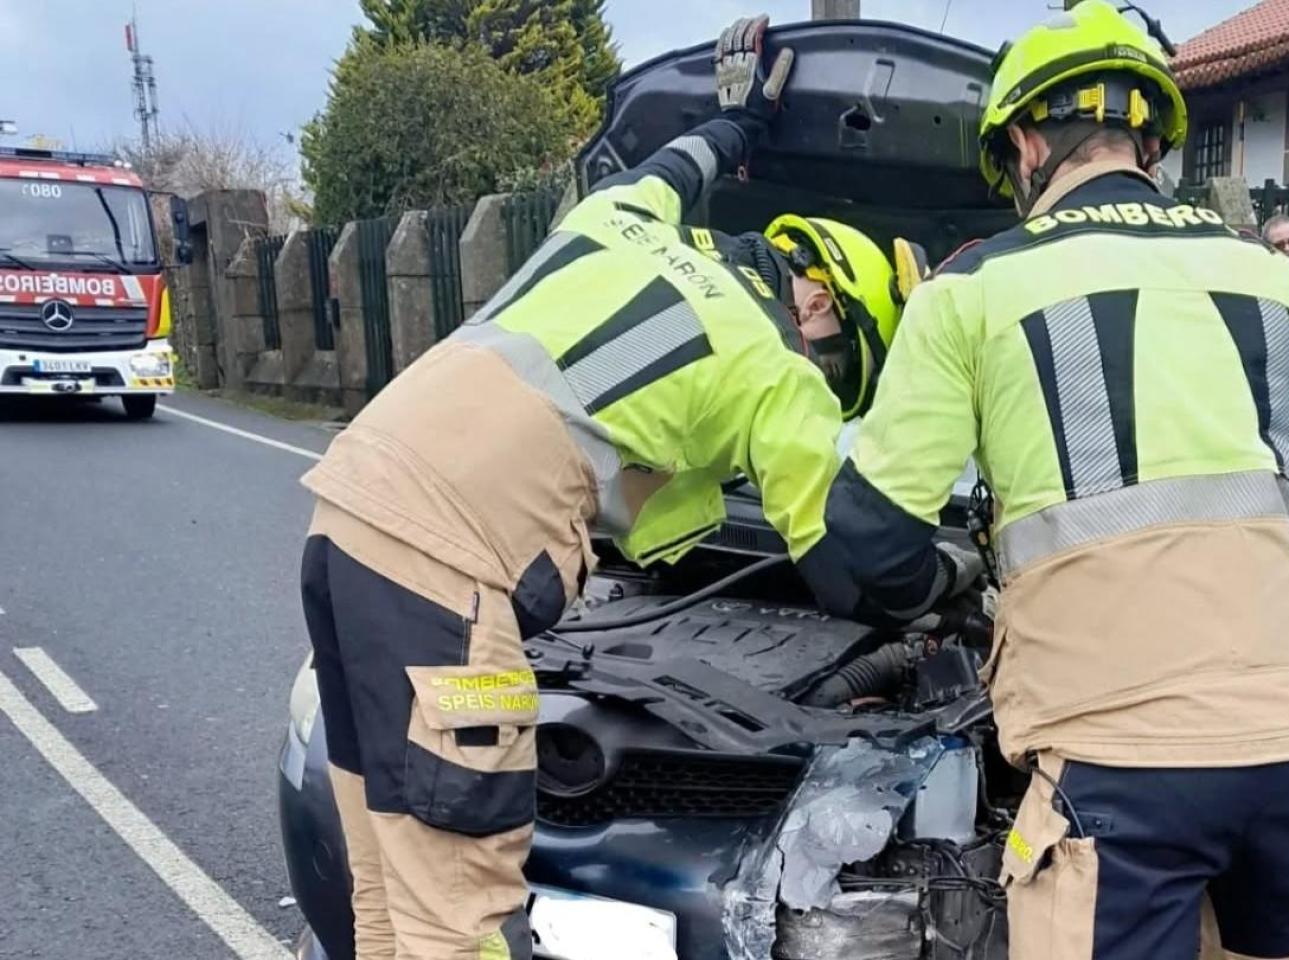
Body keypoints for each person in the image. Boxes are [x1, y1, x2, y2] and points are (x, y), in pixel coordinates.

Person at [294, 16, 940, 959]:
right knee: (460, 912)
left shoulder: (617, 224)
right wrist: (942, 576)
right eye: (846, 364)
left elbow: (670, 170)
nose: (830, 385)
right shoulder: (772, 366)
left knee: (384, 886)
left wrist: (741, 122)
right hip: (444, 573)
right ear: (818, 303)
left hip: (343, 522)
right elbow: (846, 560)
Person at [814, 3, 1289, 958]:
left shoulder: (974, 289)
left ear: (1026, 141)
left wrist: (943, 587)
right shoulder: (1258, 273)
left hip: (1124, 774)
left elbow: (870, 531)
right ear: (1148, 136)